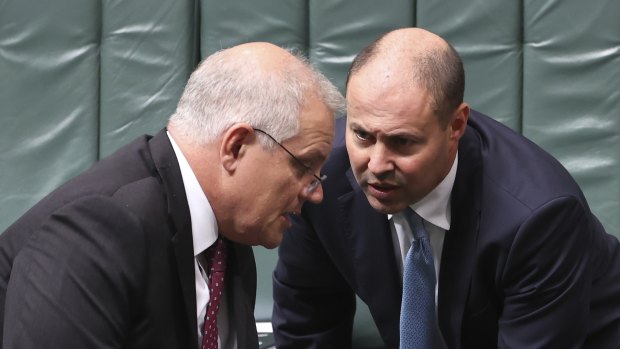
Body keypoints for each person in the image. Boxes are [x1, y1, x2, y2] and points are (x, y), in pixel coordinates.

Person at [272, 27, 620, 348]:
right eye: (362, 135)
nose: (375, 165)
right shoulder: (323, 176)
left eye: (403, 142)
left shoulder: (539, 217)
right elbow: (307, 328)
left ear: (456, 125)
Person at [0, 42, 344, 348]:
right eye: (304, 166)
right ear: (236, 147)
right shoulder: (98, 231)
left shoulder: (228, 240)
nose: (315, 192)